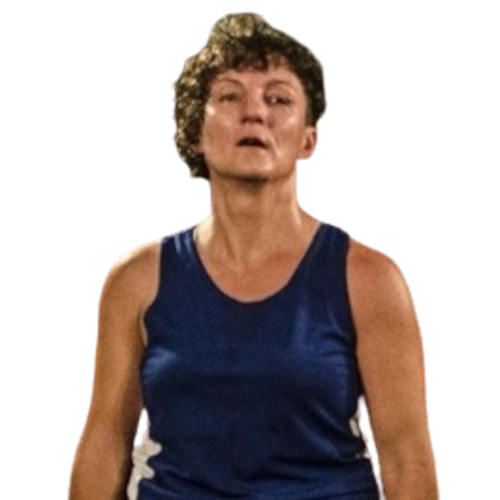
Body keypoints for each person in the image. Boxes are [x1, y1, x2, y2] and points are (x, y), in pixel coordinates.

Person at [67, 10, 439, 500]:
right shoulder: (136, 279)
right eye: (229, 96)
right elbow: (105, 441)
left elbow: (408, 458)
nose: (255, 113)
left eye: (278, 98)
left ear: (308, 138)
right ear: (196, 131)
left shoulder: (370, 278)